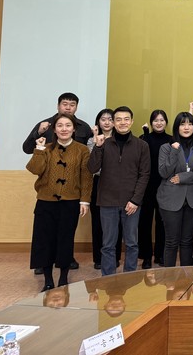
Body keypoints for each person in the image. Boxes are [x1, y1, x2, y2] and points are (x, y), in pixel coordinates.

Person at [22, 91, 92, 272]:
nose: (68, 107)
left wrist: (84, 199)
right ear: (58, 105)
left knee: (66, 231)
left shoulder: (84, 128)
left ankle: (65, 260)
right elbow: (27, 148)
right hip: (48, 189)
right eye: (64, 104)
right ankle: (44, 262)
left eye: (72, 105)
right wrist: (38, 133)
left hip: (71, 190)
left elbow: (86, 165)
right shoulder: (45, 125)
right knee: (45, 231)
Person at [87, 106, 150, 276]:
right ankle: (108, 279)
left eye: (126, 119)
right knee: (108, 244)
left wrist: (135, 200)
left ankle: (129, 278)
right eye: (119, 119)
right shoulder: (104, 144)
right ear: (113, 123)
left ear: (132, 121)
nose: (123, 122)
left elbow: (144, 174)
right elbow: (92, 168)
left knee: (131, 243)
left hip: (131, 203)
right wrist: (97, 147)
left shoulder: (142, 145)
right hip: (107, 201)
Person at [158, 112, 193, 267]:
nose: (186, 127)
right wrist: (174, 151)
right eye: (182, 124)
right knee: (171, 241)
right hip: (170, 199)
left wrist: (183, 177)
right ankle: (169, 278)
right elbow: (164, 173)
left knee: (187, 241)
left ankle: (186, 277)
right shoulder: (166, 147)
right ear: (177, 127)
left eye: (189, 124)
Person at [87, 108, 121, 270]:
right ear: (98, 122)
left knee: (117, 223)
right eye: (103, 119)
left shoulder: (120, 139)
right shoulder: (91, 140)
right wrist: (96, 143)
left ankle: (115, 257)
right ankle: (99, 258)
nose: (107, 122)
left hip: (118, 183)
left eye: (110, 119)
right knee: (98, 222)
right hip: (98, 183)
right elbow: (93, 165)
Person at [139, 109, 171, 268]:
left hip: (165, 186)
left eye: (162, 120)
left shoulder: (171, 140)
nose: (159, 123)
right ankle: (146, 256)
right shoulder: (143, 138)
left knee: (163, 222)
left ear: (166, 122)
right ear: (151, 123)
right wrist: (145, 133)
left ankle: (160, 254)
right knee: (144, 222)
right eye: (156, 120)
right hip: (146, 187)